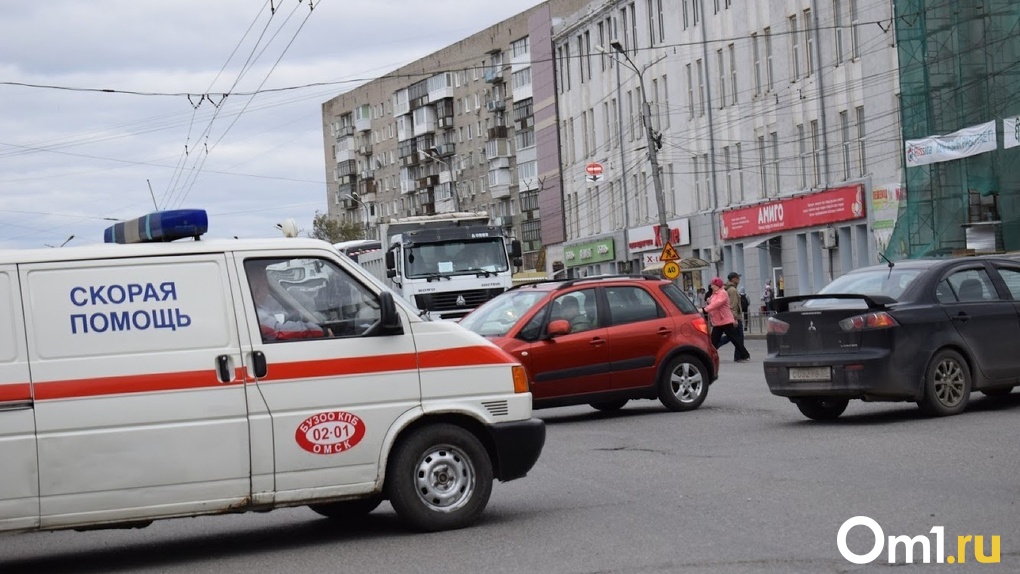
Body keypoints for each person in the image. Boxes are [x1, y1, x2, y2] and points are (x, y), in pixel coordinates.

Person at [247, 264, 326, 342]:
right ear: (257, 292)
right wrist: (321, 331)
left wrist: (288, 315)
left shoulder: (256, 308)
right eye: (265, 285)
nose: (267, 291)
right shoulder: (255, 315)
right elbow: (279, 331)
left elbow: (274, 315)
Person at [700, 277, 750, 362]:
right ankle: (709, 356)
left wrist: (705, 309)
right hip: (718, 321)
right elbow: (712, 302)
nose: (711, 286)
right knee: (713, 341)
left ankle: (744, 354)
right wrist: (708, 301)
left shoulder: (723, 293)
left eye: (713, 285)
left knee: (734, 339)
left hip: (725, 321)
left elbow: (717, 303)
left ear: (717, 285)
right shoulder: (714, 294)